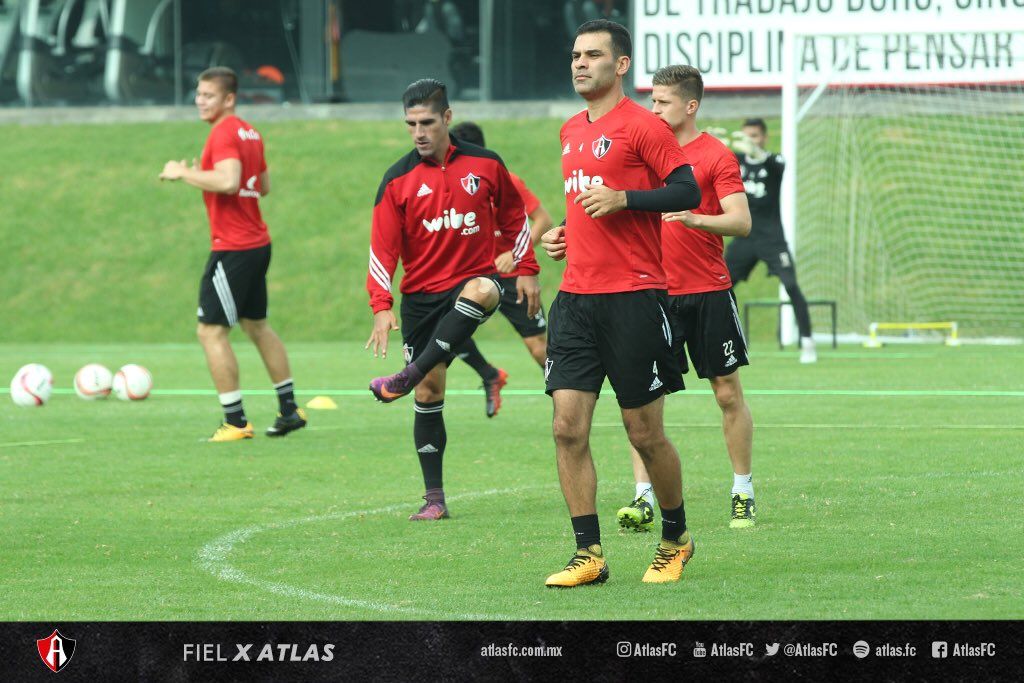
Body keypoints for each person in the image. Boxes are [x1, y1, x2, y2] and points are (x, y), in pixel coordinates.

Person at [540, 20, 701, 587]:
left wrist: (626, 198)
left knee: (644, 433)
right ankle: (589, 554)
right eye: (575, 54)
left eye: (593, 55)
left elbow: (687, 190)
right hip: (576, 300)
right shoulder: (568, 129)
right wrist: (562, 233)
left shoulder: (642, 125)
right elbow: (590, 204)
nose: (580, 63)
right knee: (566, 428)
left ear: (622, 65)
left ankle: (676, 538)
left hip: (634, 298)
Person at [366, 78, 541, 520]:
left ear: (447, 118)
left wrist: (527, 270)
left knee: (483, 290)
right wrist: (381, 306)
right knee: (430, 390)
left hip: (472, 281)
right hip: (421, 298)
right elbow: (382, 249)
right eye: (411, 124)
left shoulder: (485, 164)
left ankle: (405, 376)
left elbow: (516, 217)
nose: (419, 132)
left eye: (427, 122)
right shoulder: (397, 179)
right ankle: (434, 499)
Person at [616, 65, 757, 533]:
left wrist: (697, 219)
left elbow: (740, 222)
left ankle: (742, 491)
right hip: (650, 294)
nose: (653, 109)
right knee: (644, 400)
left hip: (708, 293)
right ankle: (642, 498)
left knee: (726, 393)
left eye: (662, 102)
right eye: (650, 101)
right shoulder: (640, 153)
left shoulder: (715, 155)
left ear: (690, 106)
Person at [159, 67, 306, 442]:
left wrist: (183, 173)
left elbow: (228, 181)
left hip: (234, 248)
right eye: (198, 94)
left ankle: (236, 422)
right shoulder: (249, 131)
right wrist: (204, 177)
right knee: (257, 326)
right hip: (257, 242)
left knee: (210, 331)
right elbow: (263, 186)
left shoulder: (223, 132)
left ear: (229, 99)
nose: (200, 101)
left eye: (208, 95)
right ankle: (289, 410)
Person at [448, 121, 553, 418]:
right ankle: (489, 374)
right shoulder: (452, 183)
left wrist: (515, 254)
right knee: (446, 329)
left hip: (511, 279)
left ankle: (568, 397)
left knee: (537, 347)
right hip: (473, 278)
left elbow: (543, 220)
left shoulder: (507, 180)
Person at [726, 118, 817, 363]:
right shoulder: (736, 161)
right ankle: (729, 341)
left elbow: (778, 164)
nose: (749, 142)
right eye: (746, 137)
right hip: (744, 236)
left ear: (763, 138)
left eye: (754, 136)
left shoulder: (774, 162)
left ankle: (807, 342)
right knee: (719, 288)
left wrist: (756, 151)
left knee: (790, 284)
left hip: (772, 238)